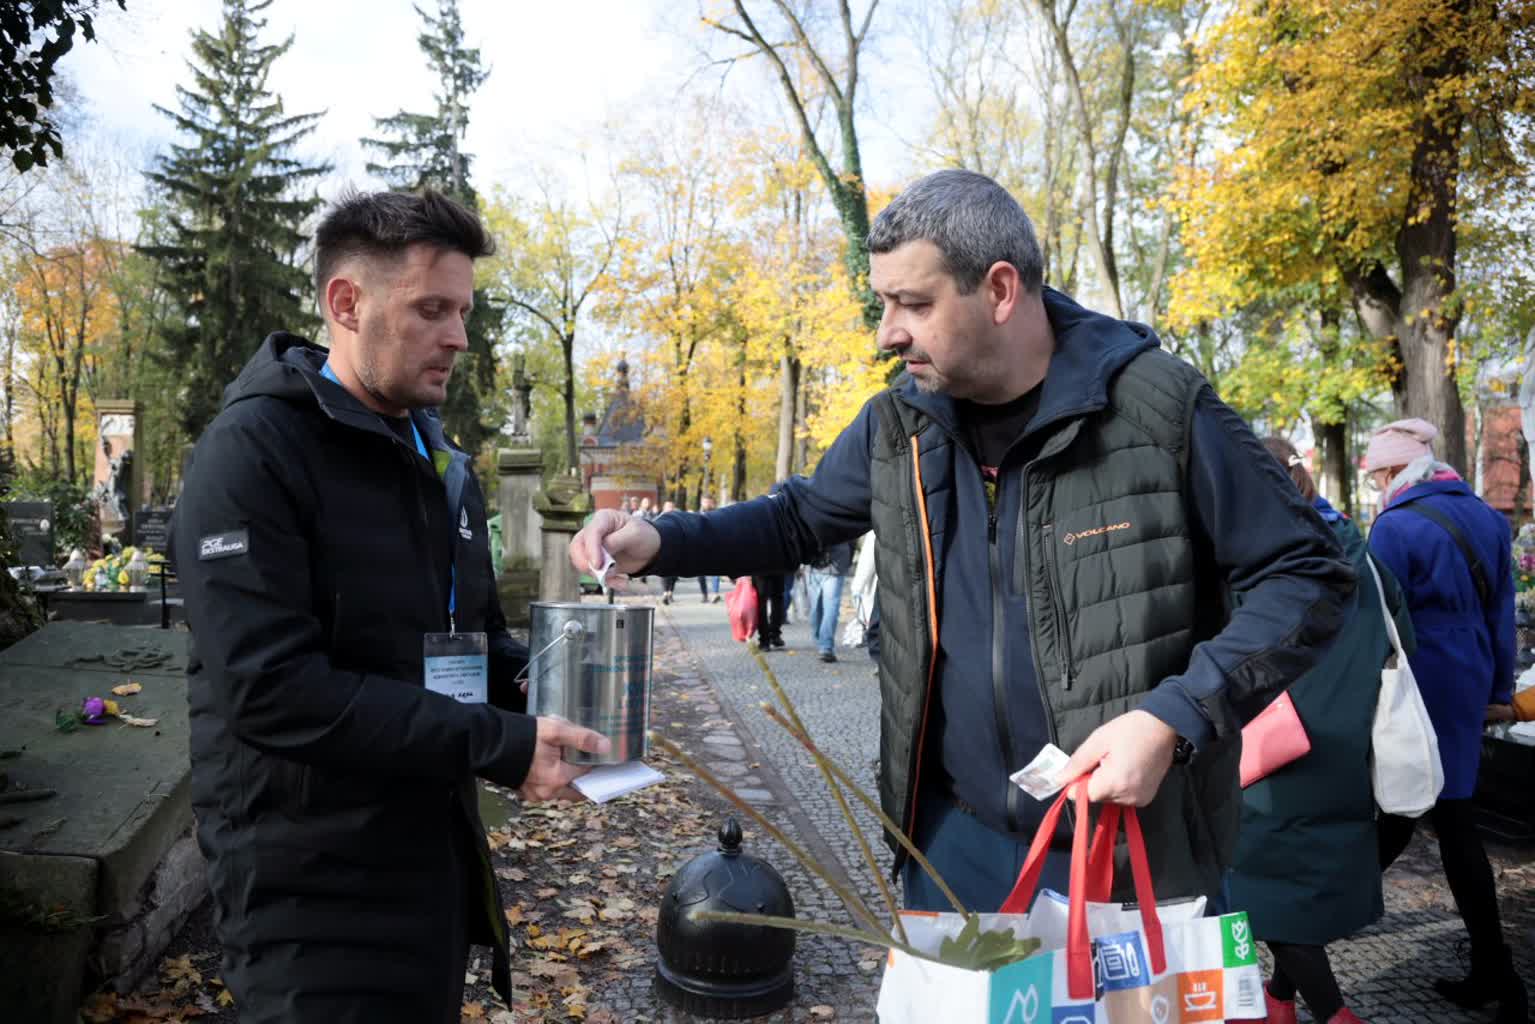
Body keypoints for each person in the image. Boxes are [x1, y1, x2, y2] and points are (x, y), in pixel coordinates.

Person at [570, 170, 1354, 912]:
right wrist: (657, 539)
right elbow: (797, 518)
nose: (886, 333)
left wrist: (1172, 718)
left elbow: (1306, 576)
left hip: (1128, 850)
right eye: (883, 303)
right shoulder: (901, 422)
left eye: (910, 303)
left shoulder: (1159, 406)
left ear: (1000, 289)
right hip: (951, 842)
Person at [172, 188, 610, 1024]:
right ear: (346, 303)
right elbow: (270, 689)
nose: (458, 338)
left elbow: (465, 643)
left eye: (465, 312)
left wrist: (570, 691)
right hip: (307, 892)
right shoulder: (252, 453)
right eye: (432, 310)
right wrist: (501, 746)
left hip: (429, 859)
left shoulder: (438, 456)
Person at [1228, 438, 1415, 1024]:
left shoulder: (1257, 560)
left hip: (1272, 753)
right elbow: (1400, 641)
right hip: (1349, 747)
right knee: (1301, 892)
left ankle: (1335, 1014)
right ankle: (1280, 1000)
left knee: (1265, 895)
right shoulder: (1370, 563)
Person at [1364, 418, 1527, 1024]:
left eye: (1378, 473)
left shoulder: (1394, 527)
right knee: (1447, 821)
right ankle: (1497, 973)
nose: (1377, 483)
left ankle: (1306, 930)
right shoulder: (1486, 517)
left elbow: (1377, 625)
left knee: (1402, 814)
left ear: (1392, 472)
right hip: (1467, 685)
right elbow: (1502, 608)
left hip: (1414, 687)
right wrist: (1502, 689)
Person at [807, 539, 855, 662]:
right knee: (818, 610)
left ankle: (825, 646)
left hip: (832, 565)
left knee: (829, 608)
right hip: (819, 564)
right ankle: (822, 642)